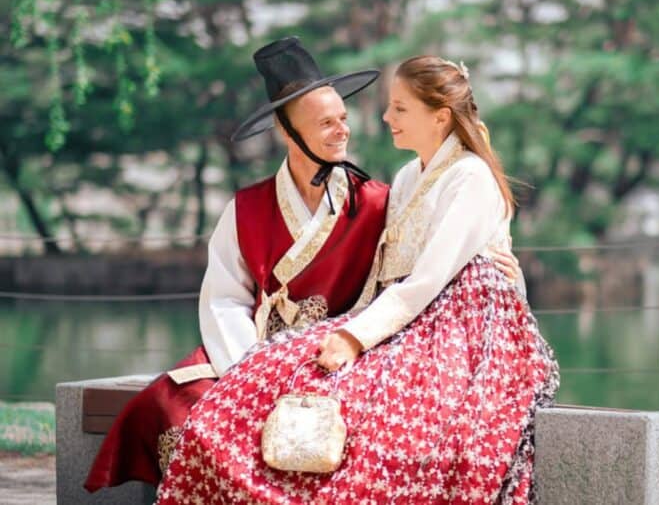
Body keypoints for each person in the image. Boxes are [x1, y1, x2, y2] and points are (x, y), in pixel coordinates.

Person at [84, 38, 522, 493]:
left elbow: (424, 270)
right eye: (324, 123)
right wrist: (247, 365)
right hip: (252, 351)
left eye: (343, 119)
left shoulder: (375, 201)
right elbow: (224, 300)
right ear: (286, 131)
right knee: (178, 406)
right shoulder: (248, 208)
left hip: (335, 349)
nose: (344, 130)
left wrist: (495, 264)